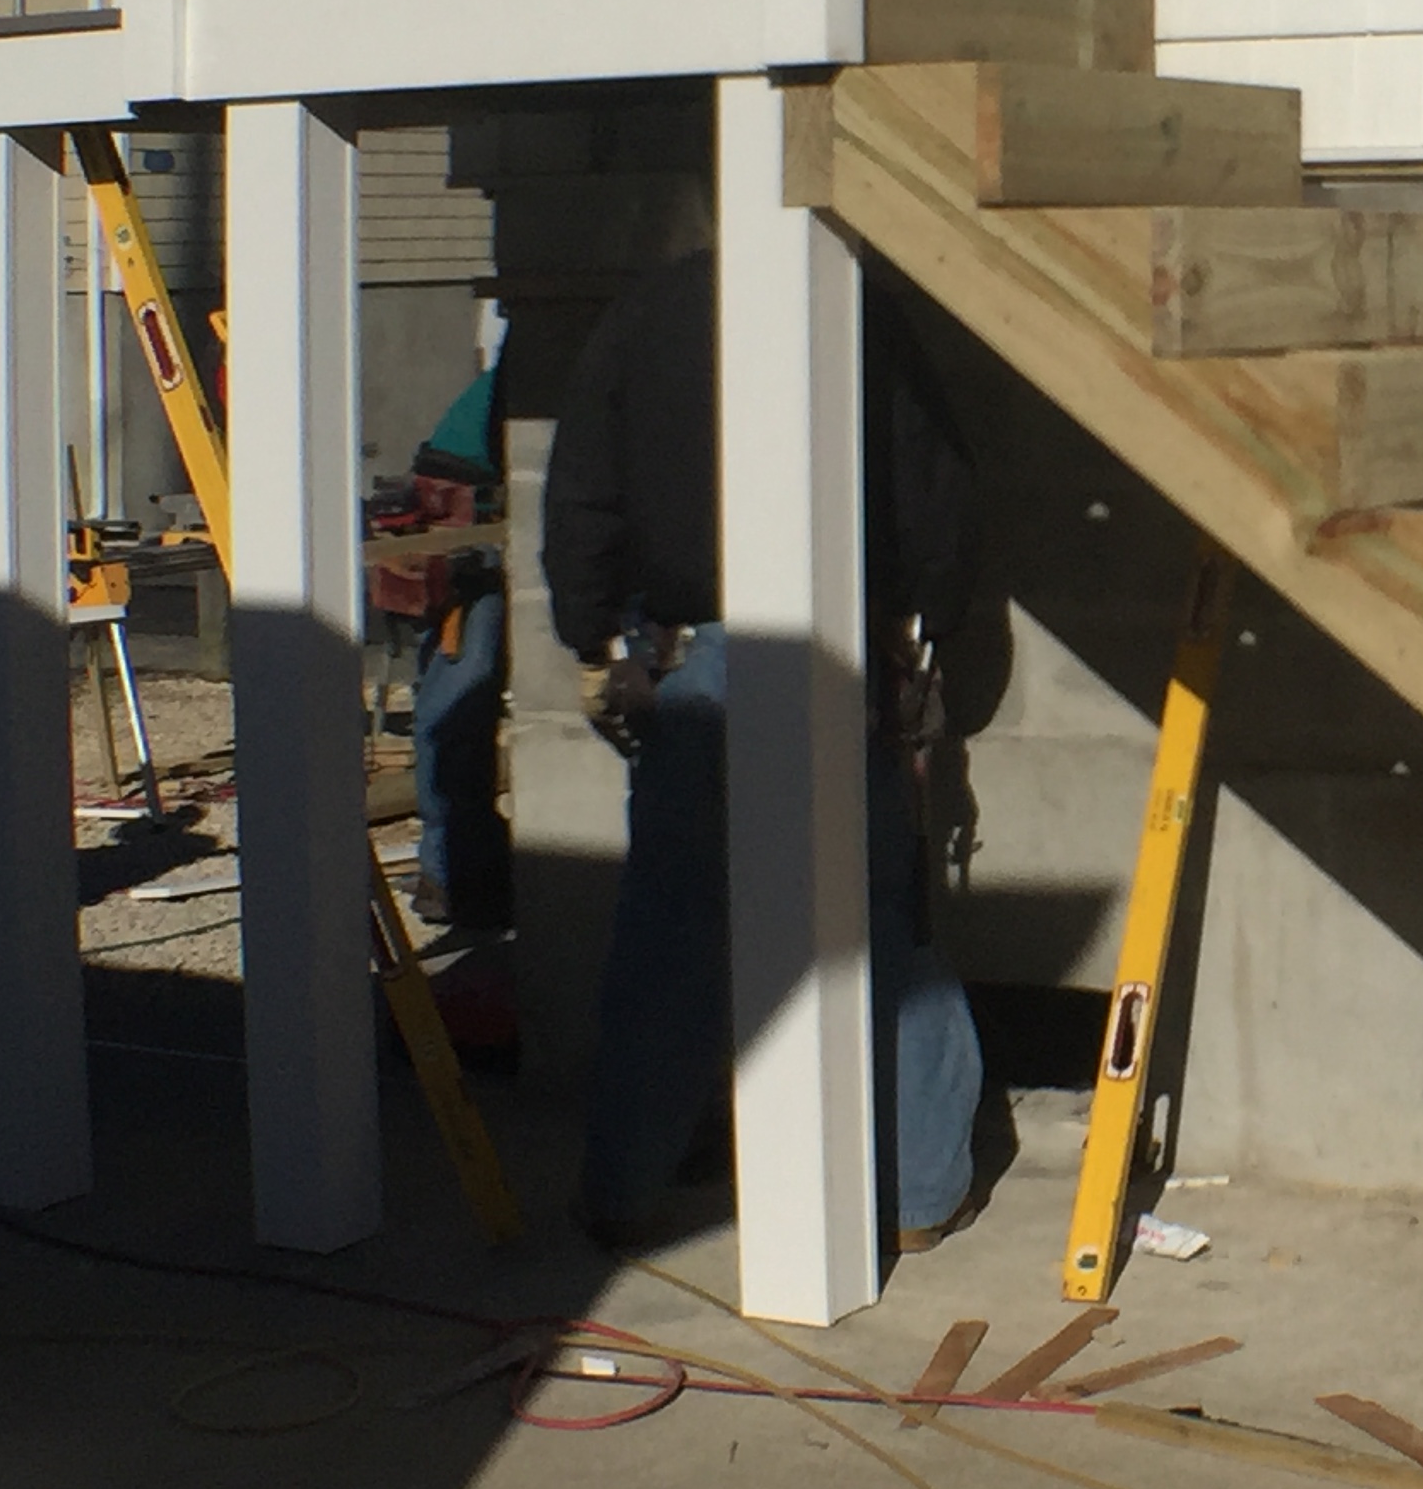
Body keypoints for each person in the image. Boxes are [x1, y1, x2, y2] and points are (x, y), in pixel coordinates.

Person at [543, 247, 987, 1251]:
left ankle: (624, 1190)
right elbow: (935, 482)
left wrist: (591, 639)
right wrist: (925, 639)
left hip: (696, 656)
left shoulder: (647, 306)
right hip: (839, 647)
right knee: (875, 919)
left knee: (673, 928)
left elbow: (582, 491)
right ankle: (921, 1194)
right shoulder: (856, 300)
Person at [401, 358, 511, 932]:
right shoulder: (546, 364)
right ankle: (450, 875)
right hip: (470, 516)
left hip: (473, 505)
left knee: (458, 701)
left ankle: (459, 872)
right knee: (457, 705)